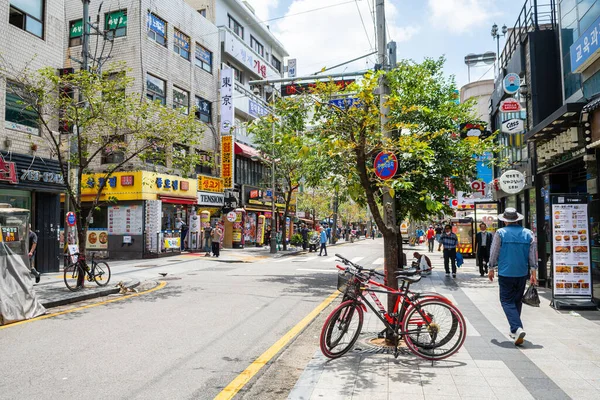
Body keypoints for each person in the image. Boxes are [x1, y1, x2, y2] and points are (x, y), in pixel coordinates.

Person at [488, 208, 537, 346]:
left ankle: (516, 328)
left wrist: (491, 268)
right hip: (522, 272)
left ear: (505, 220)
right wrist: (534, 272)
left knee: (506, 301)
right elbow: (533, 254)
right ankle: (515, 331)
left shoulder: (500, 233)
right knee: (516, 301)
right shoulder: (528, 233)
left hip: (505, 272)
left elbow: (494, 251)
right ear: (517, 219)